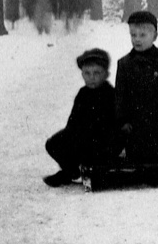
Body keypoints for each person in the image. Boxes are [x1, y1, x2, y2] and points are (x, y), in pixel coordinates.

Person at [114, 10, 158, 173]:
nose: (137, 39)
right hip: (135, 127)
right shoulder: (125, 65)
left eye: (142, 35)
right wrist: (122, 120)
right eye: (133, 35)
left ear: (154, 36)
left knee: (157, 159)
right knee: (137, 159)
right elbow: (120, 96)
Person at [43, 47, 119, 187]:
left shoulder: (109, 94)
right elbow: (73, 121)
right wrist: (70, 136)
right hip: (83, 140)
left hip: (102, 142)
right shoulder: (82, 94)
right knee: (53, 143)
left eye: (97, 73)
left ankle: (83, 172)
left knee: (97, 148)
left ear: (106, 74)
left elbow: (113, 122)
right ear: (82, 74)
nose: (92, 77)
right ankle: (71, 171)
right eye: (87, 73)